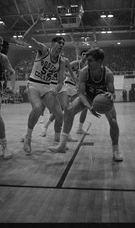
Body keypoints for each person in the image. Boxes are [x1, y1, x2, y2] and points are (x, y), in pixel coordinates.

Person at [48, 48, 123, 162]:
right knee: (69, 110)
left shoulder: (108, 74)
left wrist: (111, 95)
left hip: (102, 99)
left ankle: (116, 150)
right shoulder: (84, 71)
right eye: (87, 60)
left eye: (91, 60)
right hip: (87, 97)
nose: (87, 62)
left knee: (113, 121)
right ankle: (62, 145)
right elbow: (81, 93)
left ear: (99, 61)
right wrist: (89, 107)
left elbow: (112, 93)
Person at [21, 9, 66, 154]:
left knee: (59, 114)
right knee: (38, 108)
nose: (61, 45)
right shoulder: (43, 50)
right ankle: (28, 137)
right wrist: (37, 23)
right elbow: (26, 37)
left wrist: (57, 89)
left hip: (47, 87)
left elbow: (60, 82)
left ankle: (58, 141)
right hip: (33, 84)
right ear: (53, 43)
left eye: (63, 44)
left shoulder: (61, 61)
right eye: (59, 43)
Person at [40, 55, 78, 142]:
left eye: (62, 44)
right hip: (49, 86)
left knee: (67, 109)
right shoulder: (48, 59)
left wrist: (76, 83)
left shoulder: (65, 60)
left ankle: (65, 134)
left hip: (60, 86)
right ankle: (28, 133)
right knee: (39, 110)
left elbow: (71, 73)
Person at [64, 50, 89, 135]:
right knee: (61, 109)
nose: (85, 56)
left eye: (87, 55)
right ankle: (46, 126)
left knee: (85, 107)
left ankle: (79, 128)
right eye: (83, 54)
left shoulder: (86, 67)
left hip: (76, 88)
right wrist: (72, 76)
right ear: (80, 56)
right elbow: (62, 71)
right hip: (68, 86)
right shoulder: (75, 63)